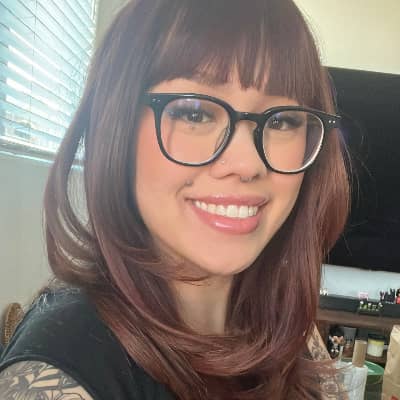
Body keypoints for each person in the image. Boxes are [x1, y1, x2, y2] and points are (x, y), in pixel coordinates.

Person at [0, 0, 349, 399]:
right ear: (118, 127)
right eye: (195, 113)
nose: (247, 164)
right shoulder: (58, 374)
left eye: (282, 120)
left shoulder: (287, 326)